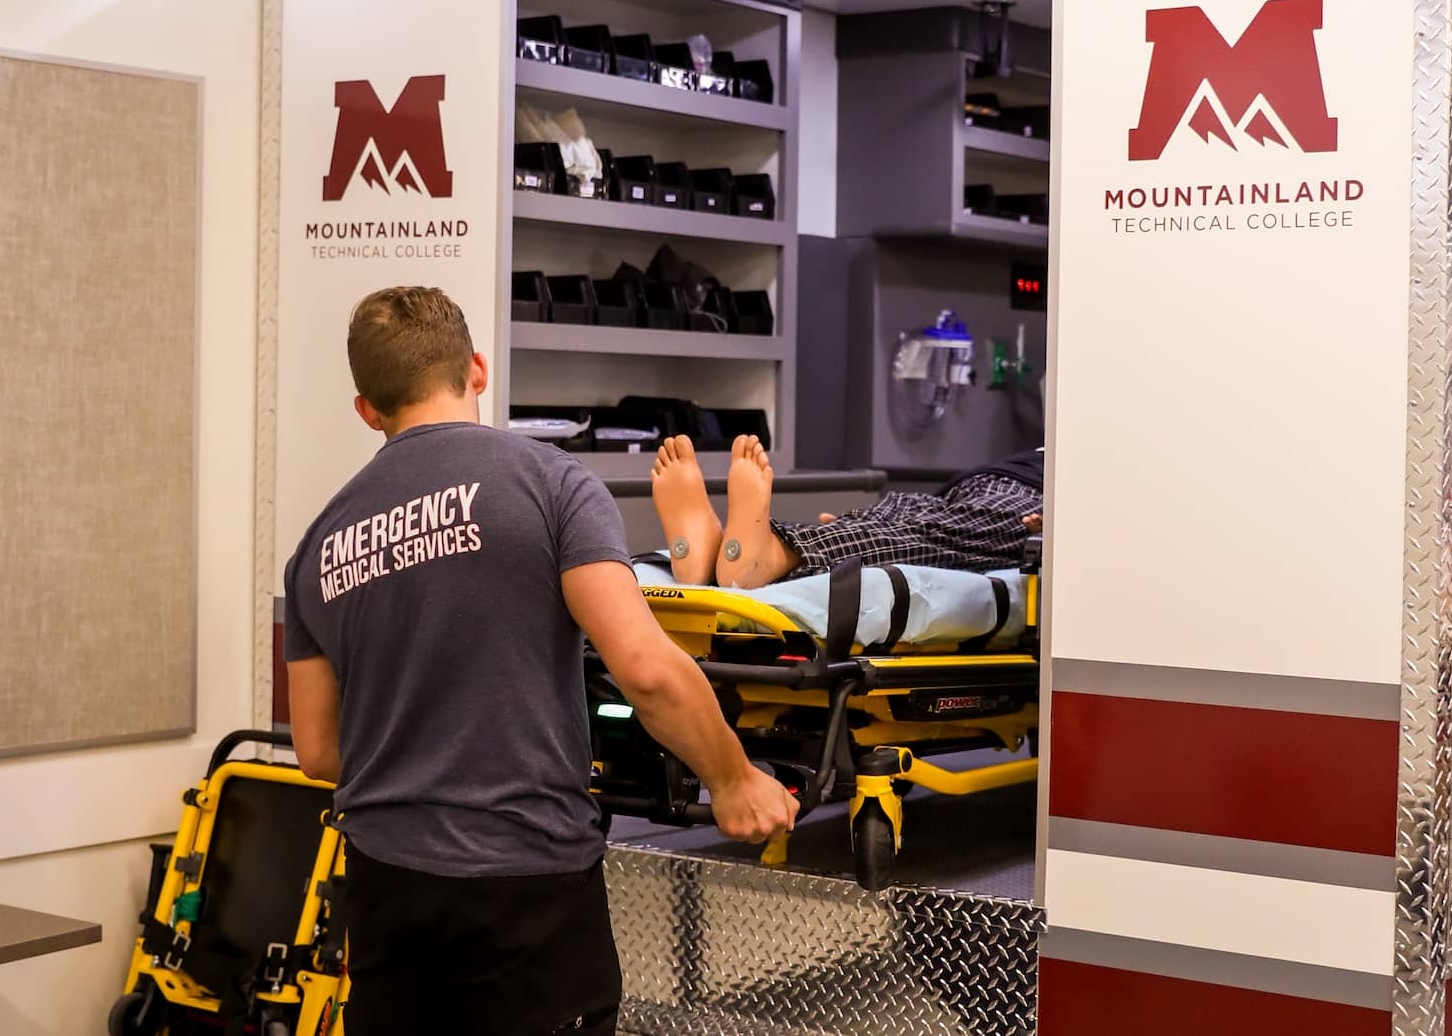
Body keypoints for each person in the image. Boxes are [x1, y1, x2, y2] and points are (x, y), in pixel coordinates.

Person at [283, 287, 797, 1036]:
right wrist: (733, 777)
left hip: (388, 894)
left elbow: (319, 750)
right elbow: (647, 670)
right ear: (478, 369)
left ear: (368, 408)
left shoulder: (319, 544)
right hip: (527, 889)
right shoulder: (551, 483)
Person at [650, 433, 1044, 589]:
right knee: (954, 536)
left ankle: (713, 552)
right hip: (1028, 494)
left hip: (991, 486)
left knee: (911, 523)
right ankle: (771, 554)